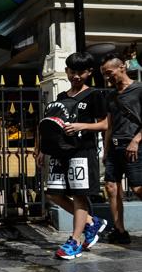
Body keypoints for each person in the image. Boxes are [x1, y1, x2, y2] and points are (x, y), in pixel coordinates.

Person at [36, 52, 108, 260]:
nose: (76, 76)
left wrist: (82, 125)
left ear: (89, 72)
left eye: (81, 72)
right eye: (72, 71)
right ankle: (91, 223)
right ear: (67, 71)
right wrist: (43, 150)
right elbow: (50, 126)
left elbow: (105, 124)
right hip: (59, 152)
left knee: (79, 195)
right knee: (53, 194)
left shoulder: (95, 95)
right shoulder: (61, 98)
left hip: (82, 152)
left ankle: (75, 240)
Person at [100, 53, 142, 244]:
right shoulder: (110, 95)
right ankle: (120, 230)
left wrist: (136, 140)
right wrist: (106, 150)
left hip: (134, 146)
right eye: (104, 74)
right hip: (115, 147)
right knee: (111, 187)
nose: (107, 77)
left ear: (122, 67)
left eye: (109, 73)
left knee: (138, 188)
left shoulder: (139, 89)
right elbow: (109, 124)